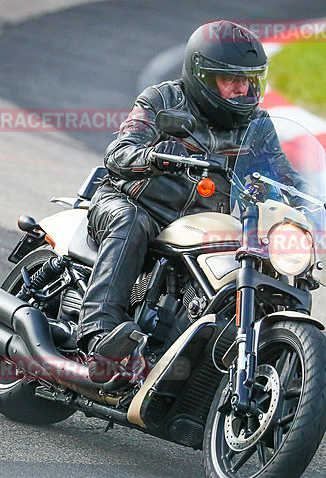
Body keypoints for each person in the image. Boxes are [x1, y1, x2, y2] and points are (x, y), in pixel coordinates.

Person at [78, 20, 286, 381]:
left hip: (196, 229)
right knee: (131, 223)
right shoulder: (161, 100)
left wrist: (325, 205)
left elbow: (283, 175)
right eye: (231, 79)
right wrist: (155, 156)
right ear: (202, 77)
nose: (243, 88)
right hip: (130, 204)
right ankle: (98, 336)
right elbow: (118, 154)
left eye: (250, 79)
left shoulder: (257, 124)